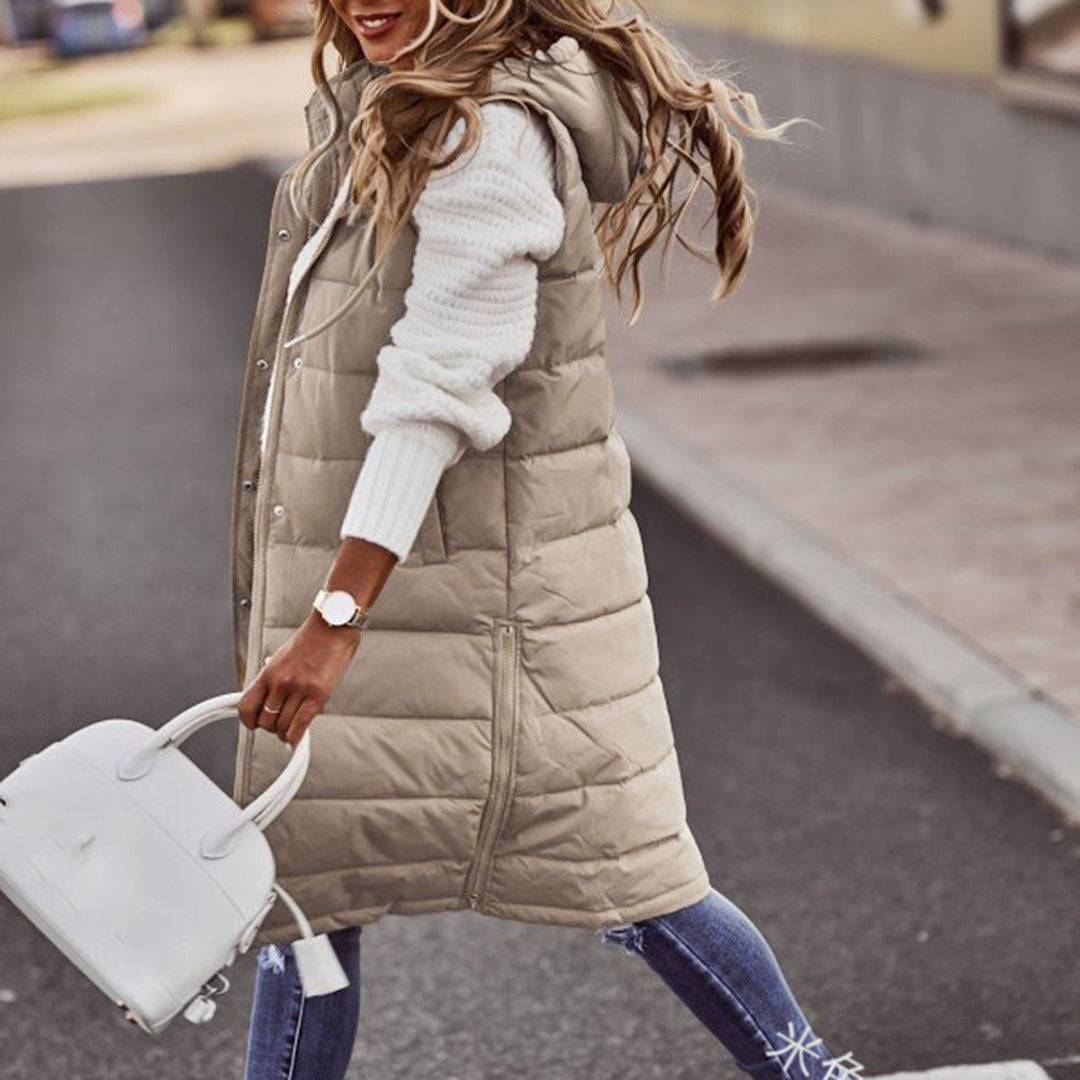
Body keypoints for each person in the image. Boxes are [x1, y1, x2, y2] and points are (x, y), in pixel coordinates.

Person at [230, 2, 857, 1078]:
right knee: (305, 890)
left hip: (497, 607)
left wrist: (334, 615)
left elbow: (438, 383)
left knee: (634, 873)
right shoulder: (392, 106)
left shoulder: (494, 132)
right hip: (401, 592)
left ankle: (811, 1076)